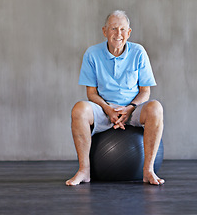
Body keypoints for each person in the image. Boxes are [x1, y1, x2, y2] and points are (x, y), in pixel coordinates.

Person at [66, 10, 165, 186]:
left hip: (132, 110)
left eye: (122, 29)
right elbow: (91, 94)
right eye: (113, 29)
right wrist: (108, 109)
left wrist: (130, 108)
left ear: (129, 32)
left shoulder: (139, 52)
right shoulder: (92, 53)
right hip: (104, 110)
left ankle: (148, 170)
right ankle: (84, 171)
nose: (118, 34)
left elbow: (145, 91)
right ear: (105, 31)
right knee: (79, 109)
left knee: (155, 108)